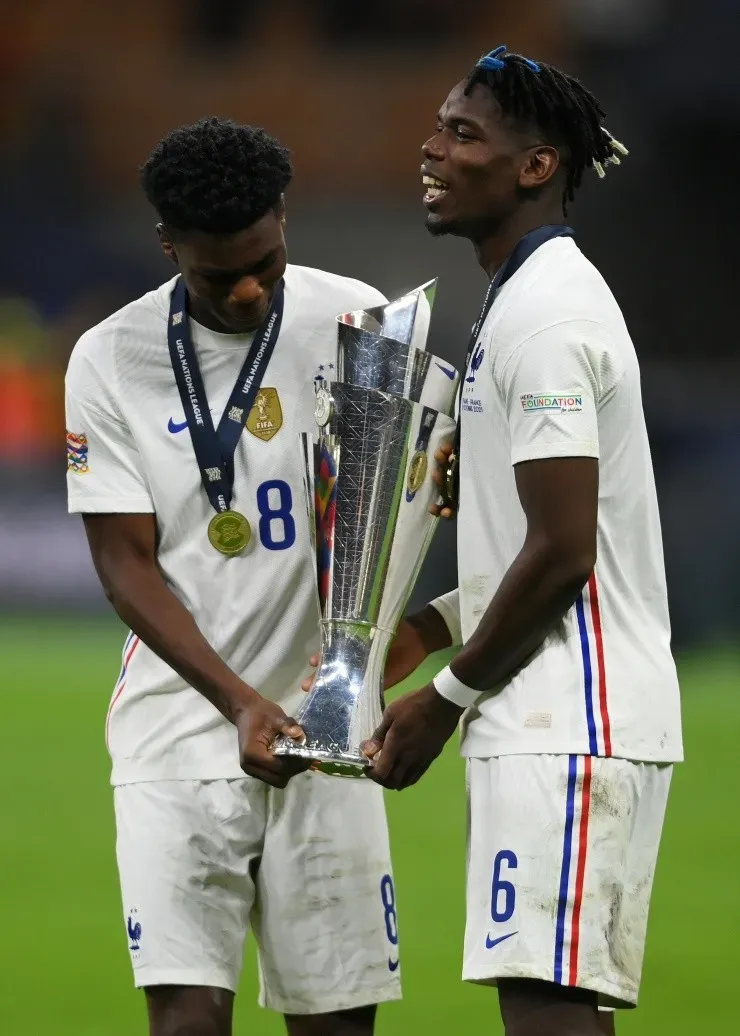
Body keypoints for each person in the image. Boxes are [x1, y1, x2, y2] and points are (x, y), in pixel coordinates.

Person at [362, 47, 683, 1036]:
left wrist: (442, 702)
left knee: (543, 1006)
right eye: (437, 128)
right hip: (548, 713)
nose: (431, 148)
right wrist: (432, 621)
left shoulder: (544, 315)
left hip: (567, 715)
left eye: (462, 134)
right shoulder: (517, 301)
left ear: (533, 166)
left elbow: (565, 549)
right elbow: (544, 543)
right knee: (543, 999)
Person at [64, 117, 401, 1036]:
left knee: (336, 1023)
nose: (252, 289)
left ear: (284, 217)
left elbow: (402, 513)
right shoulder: (109, 354)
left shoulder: (359, 322)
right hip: (176, 732)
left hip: (325, 730)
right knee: (186, 1022)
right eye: (221, 276)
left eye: (268, 262)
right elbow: (124, 565)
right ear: (168, 244)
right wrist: (236, 702)